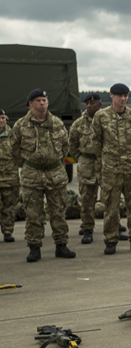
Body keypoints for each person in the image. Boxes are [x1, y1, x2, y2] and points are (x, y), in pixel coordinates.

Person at [8, 89, 76, 261]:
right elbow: (14, 150)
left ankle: (61, 245)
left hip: (55, 174)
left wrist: (54, 163)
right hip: (32, 175)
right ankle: (34, 247)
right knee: (33, 214)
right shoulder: (21, 125)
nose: (42, 103)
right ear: (30, 104)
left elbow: (65, 147)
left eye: (44, 100)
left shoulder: (57, 123)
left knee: (58, 212)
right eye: (38, 100)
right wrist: (28, 165)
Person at [90, 83, 131, 255]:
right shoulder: (101, 117)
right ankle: (111, 240)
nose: (123, 99)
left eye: (125, 95)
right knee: (111, 207)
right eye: (119, 95)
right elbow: (96, 143)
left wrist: (130, 155)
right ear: (111, 96)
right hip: (111, 171)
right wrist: (106, 160)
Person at [68, 93, 102, 244]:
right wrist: (81, 158)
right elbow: (72, 144)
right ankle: (87, 228)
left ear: (99, 104)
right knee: (87, 199)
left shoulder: (107, 120)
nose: (89, 105)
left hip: (105, 163)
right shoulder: (78, 124)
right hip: (87, 164)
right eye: (87, 103)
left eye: (92, 103)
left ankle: (114, 225)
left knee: (112, 198)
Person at [0, 109, 18, 243]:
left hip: (9, 178)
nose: (1, 121)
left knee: (9, 206)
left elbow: (20, 152)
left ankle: (7, 231)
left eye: (2, 118)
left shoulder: (13, 135)